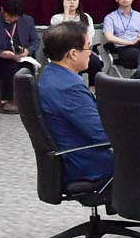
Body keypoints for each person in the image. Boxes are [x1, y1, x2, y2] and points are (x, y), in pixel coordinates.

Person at [37, 22, 111, 181]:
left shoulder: (49, 75)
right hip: (87, 164)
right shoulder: (69, 87)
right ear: (73, 54)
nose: (91, 53)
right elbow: (103, 135)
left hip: (71, 156)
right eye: (88, 47)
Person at [0, 0, 40, 113]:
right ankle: (9, 101)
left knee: (27, 68)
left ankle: (26, 101)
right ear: (2, 10)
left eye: (16, 17)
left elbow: (35, 41)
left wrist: (27, 51)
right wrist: (1, 53)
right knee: (11, 67)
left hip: (22, 57)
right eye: (10, 16)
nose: (12, 19)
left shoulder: (27, 20)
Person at [50, 0, 104, 80]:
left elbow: (90, 37)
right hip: (65, 54)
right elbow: (63, 37)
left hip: (83, 50)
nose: (71, 2)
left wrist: (82, 49)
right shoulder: (56, 18)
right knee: (72, 66)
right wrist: (66, 13)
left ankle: (92, 88)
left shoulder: (86, 17)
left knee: (96, 64)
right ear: (62, 1)